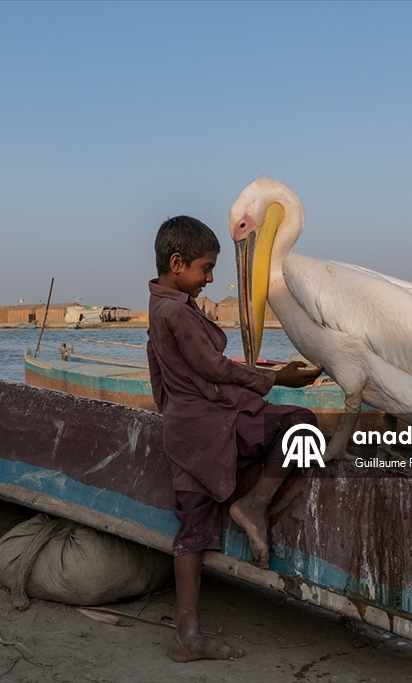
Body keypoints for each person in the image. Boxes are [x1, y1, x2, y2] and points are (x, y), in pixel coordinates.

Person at [147, 215, 323, 662]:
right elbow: (216, 368)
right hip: (213, 428)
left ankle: (187, 635)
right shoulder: (177, 313)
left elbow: (160, 386)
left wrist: (181, 416)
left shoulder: (159, 311)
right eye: (205, 269)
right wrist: (276, 377)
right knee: (300, 422)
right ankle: (254, 504)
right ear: (177, 262)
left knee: (191, 528)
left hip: (184, 435)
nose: (209, 278)